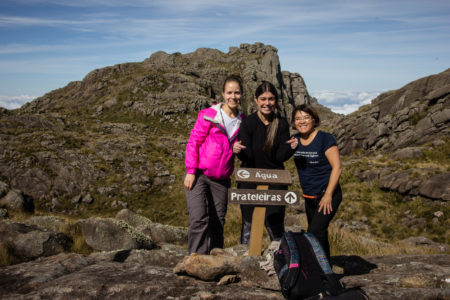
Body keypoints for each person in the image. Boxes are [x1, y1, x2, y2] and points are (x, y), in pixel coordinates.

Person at [184, 74, 245, 254]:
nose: (233, 97)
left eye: (237, 93)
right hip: (199, 174)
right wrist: (190, 170)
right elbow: (193, 141)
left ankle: (215, 260)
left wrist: (237, 148)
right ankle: (195, 258)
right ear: (223, 94)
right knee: (198, 218)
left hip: (221, 179)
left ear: (241, 94)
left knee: (218, 221)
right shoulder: (210, 115)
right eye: (229, 92)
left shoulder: (243, 120)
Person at [234, 81, 296, 244]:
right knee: (248, 223)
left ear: (275, 100)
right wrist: (239, 150)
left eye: (271, 99)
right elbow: (248, 156)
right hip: (249, 179)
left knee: (274, 223)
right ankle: (246, 260)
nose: (267, 103)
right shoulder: (248, 123)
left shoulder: (281, 123)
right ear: (256, 100)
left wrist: (291, 148)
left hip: (275, 181)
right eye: (263, 99)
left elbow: (280, 157)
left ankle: (280, 260)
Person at [289, 104, 342, 261]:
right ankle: (325, 268)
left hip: (327, 195)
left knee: (313, 233)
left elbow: (337, 167)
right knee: (320, 234)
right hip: (309, 197)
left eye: (306, 117)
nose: (302, 121)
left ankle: (318, 270)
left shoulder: (325, 138)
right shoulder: (295, 140)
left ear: (313, 119)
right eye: (298, 118)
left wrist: (328, 195)